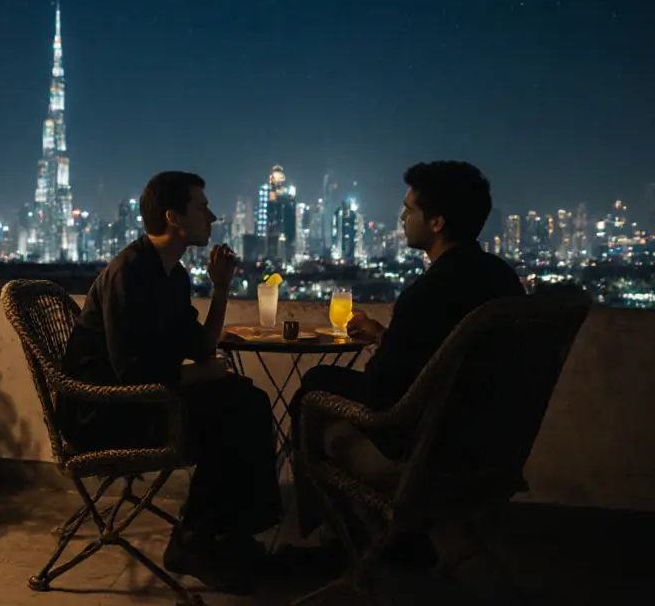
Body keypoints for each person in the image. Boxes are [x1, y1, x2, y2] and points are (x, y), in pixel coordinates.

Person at [288, 160, 525, 561]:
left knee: (313, 389)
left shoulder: (429, 292)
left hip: (425, 454)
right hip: (492, 448)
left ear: (436, 222)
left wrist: (386, 350)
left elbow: (383, 394)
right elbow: (446, 353)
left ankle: (338, 543)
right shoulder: (501, 279)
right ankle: (398, 541)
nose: (401, 216)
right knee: (321, 382)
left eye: (410, 209)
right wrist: (387, 336)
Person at [59, 171, 280, 594]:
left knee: (247, 399)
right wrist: (201, 374)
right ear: (173, 217)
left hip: (144, 401)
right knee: (231, 412)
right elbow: (132, 372)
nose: (212, 216)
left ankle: (226, 534)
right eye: (202, 207)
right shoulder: (129, 272)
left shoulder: (173, 276)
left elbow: (199, 347)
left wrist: (221, 290)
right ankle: (194, 540)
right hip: (102, 412)